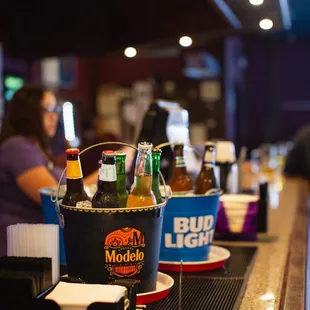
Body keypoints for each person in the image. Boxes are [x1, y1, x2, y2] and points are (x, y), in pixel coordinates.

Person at [0, 85, 98, 256]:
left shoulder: (35, 148)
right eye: (49, 109)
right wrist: (106, 172)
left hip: (38, 244)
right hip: (19, 252)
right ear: (28, 113)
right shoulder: (17, 147)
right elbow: (56, 198)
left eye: (57, 109)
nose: (55, 116)